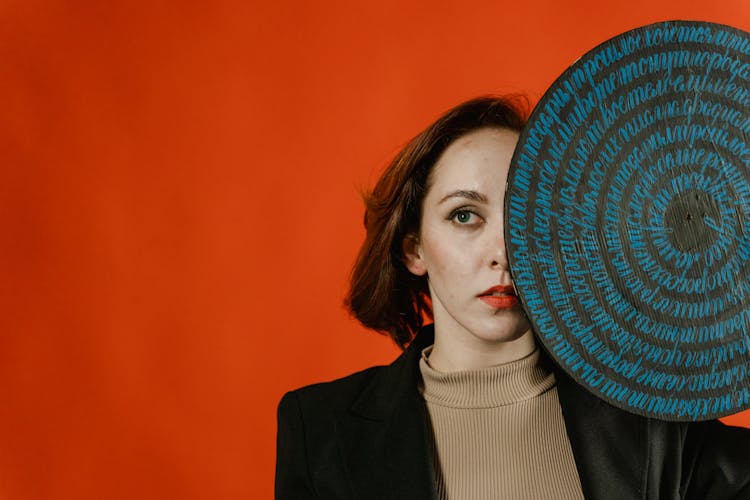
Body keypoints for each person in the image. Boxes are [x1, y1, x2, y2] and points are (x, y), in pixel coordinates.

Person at [275, 96, 750, 499]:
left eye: (525, 217)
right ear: (413, 247)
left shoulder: (652, 416)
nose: (504, 252)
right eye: (465, 216)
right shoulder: (322, 428)